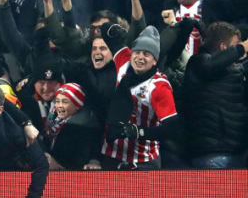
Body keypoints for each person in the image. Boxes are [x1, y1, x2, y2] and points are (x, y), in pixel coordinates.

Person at [102, 26, 180, 170]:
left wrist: (139, 131)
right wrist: (115, 29)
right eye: (137, 52)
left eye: (146, 54)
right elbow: (107, 33)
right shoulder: (124, 62)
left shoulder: (159, 86)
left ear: (155, 61)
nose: (140, 57)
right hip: (110, 155)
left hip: (143, 161)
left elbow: (172, 129)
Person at [183, 22, 248, 168]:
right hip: (212, 155)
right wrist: (242, 47)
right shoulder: (198, 63)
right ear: (223, 47)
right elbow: (211, 66)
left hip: (238, 152)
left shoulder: (237, 70)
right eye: (236, 44)